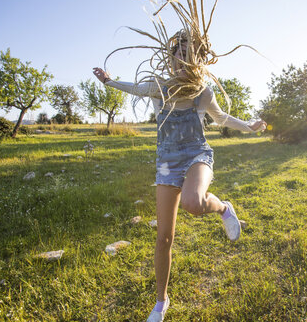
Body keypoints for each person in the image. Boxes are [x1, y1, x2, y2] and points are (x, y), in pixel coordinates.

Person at [93, 32, 266, 322]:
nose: (183, 59)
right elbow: (133, 87)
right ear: (170, 58)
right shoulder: (158, 87)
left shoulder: (203, 93)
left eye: (189, 54)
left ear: (198, 61)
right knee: (164, 238)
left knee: (193, 202)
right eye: (179, 53)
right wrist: (109, 81)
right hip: (166, 164)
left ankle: (223, 208)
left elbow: (221, 118)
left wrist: (249, 126)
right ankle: (161, 302)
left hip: (198, 155)